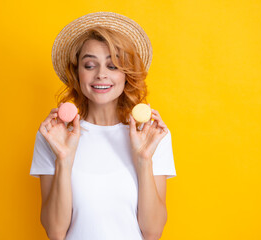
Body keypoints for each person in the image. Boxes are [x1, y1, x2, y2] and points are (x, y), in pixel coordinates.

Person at [30, 11, 177, 240]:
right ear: (77, 73)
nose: (101, 75)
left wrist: (144, 159)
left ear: (126, 74)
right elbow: (55, 232)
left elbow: (153, 232)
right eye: (89, 65)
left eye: (113, 66)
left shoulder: (151, 136)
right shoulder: (54, 136)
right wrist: (64, 160)